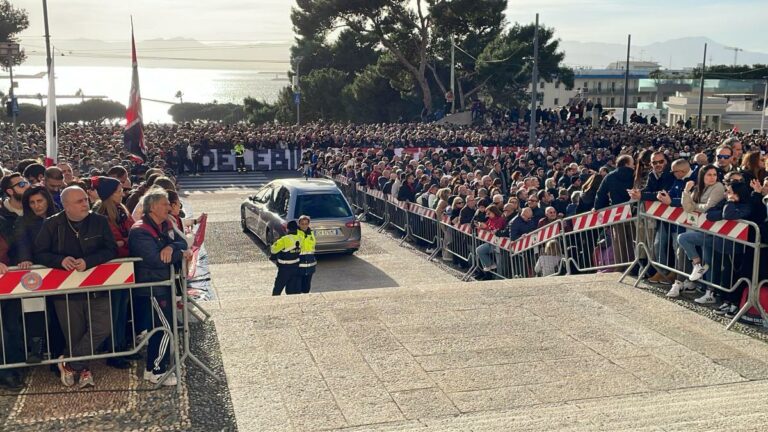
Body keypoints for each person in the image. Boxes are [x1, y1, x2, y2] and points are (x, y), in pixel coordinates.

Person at [34, 186, 117, 388]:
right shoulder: (52, 224)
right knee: (75, 333)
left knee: (102, 327)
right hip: (66, 292)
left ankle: (69, 363)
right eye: (79, 201)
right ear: (66, 206)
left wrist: (88, 261)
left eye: (85, 199)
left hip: (97, 286)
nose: (85, 203)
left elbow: (111, 249)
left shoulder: (99, 221)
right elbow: (40, 253)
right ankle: (83, 370)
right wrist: (59, 261)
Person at [128, 188, 190, 385]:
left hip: (162, 285)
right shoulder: (139, 231)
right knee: (165, 328)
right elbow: (155, 259)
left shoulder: (165, 225)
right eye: (164, 204)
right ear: (153, 207)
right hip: (152, 287)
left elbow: (181, 242)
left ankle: (151, 368)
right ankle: (157, 370)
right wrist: (180, 255)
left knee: (161, 327)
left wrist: (172, 247)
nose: (168, 207)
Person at [92, 176, 136, 369]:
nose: (122, 193)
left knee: (122, 310)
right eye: (118, 190)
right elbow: (114, 244)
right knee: (113, 312)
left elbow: (132, 233)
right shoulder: (101, 215)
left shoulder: (122, 211)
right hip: (111, 270)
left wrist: (125, 242)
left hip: (124, 268)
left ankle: (121, 346)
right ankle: (113, 351)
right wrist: (127, 243)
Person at [668, 165, 725, 298]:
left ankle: (708, 289)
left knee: (684, 239)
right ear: (702, 176)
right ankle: (697, 276)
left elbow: (708, 207)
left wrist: (695, 206)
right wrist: (686, 191)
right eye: (709, 175)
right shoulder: (699, 188)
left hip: (713, 231)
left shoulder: (718, 187)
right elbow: (687, 207)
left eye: (714, 175)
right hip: (700, 229)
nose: (712, 177)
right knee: (701, 257)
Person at [270, 221, 303, 295]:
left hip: (284, 269)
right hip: (296, 267)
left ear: (287, 229)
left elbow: (273, 250)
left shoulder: (284, 239)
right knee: (291, 291)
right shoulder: (301, 238)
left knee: (277, 290)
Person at [297, 215, 316, 294]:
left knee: (307, 287)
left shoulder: (311, 233)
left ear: (308, 224)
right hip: (299, 264)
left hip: (310, 264)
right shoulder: (295, 234)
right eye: (302, 224)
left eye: (306, 224)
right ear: (299, 224)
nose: (304, 226)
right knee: (298, 286)